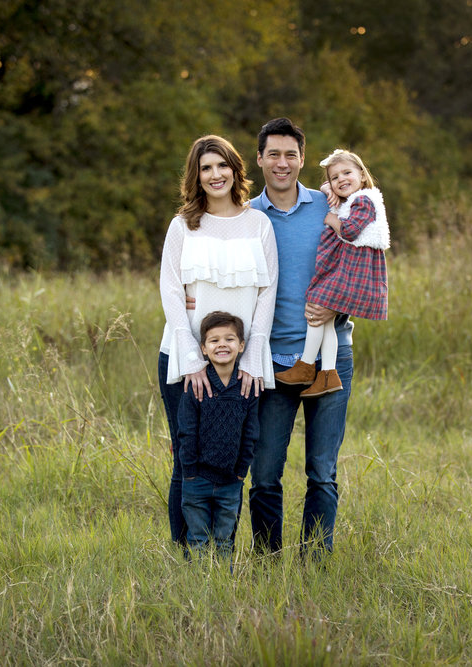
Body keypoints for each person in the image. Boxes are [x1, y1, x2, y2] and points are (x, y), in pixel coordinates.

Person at [158, 135, 278, 553]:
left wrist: (254, 359)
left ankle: (222, 552)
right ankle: (183, 551)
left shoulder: (258, 224)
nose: (215, 175)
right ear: (196, 175)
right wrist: (191, 357)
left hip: (239, 362)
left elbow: (268, 293)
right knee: (186, 458)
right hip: (185, 357)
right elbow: (171, 291)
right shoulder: (183, 226)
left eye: (222, 166)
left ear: (235, 170)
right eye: (206, 168)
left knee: (230, 458)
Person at [248, 117, 355, 557]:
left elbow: (363, 265)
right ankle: (267, 562)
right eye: (273, 153)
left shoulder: (331, 206)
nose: (282, 162)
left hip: (331, 355)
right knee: (266, 473)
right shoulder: (247, 217)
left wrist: (338, 305)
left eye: (290, 154)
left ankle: (315, 563)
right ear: (259, 159)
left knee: (322, 472)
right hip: (271, 361)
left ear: (303, 159)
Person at [274, 149, 389, 397]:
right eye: (335, 177)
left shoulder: (364, 201)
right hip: (345, 269)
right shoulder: (350, 198)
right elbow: (330, 186)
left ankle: (306, 365)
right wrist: (328, 190)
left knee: (317, 305)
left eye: (347, 173)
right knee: (325, 321)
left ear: (362, 174)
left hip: (352, 271)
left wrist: (331, 219)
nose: (341, 180)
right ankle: (328, 374)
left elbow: (349, 230)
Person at [178, 311, 259, 560]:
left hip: (230, 482)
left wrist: (240, 471)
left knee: (225, 541)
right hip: (197, 480)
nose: (222, 344)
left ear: (241, 346)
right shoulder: (196, 386)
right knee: (198, 540)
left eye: (229, 339)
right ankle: (198, 590)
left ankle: (225, 586)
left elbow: (251, 433)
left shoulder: (247, 388)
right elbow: (186, 431)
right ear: (203, 348)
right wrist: (189, 471)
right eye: (214, 341)